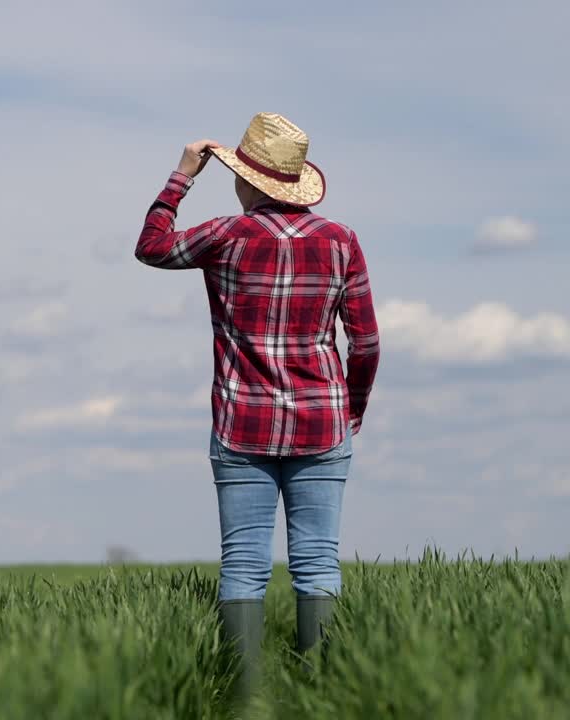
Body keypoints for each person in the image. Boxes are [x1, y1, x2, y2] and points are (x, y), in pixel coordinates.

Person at [133, 112, 381, 698]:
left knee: (242, 565)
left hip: (241, 423)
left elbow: (150, 248)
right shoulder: (341, 240)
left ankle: (241, 701)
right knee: (319, 563)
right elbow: (365, 342)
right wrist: (353, 408)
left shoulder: (226, 233)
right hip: (324, 422)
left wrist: (181, 176)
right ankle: (318, 697)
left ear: (248, 181)